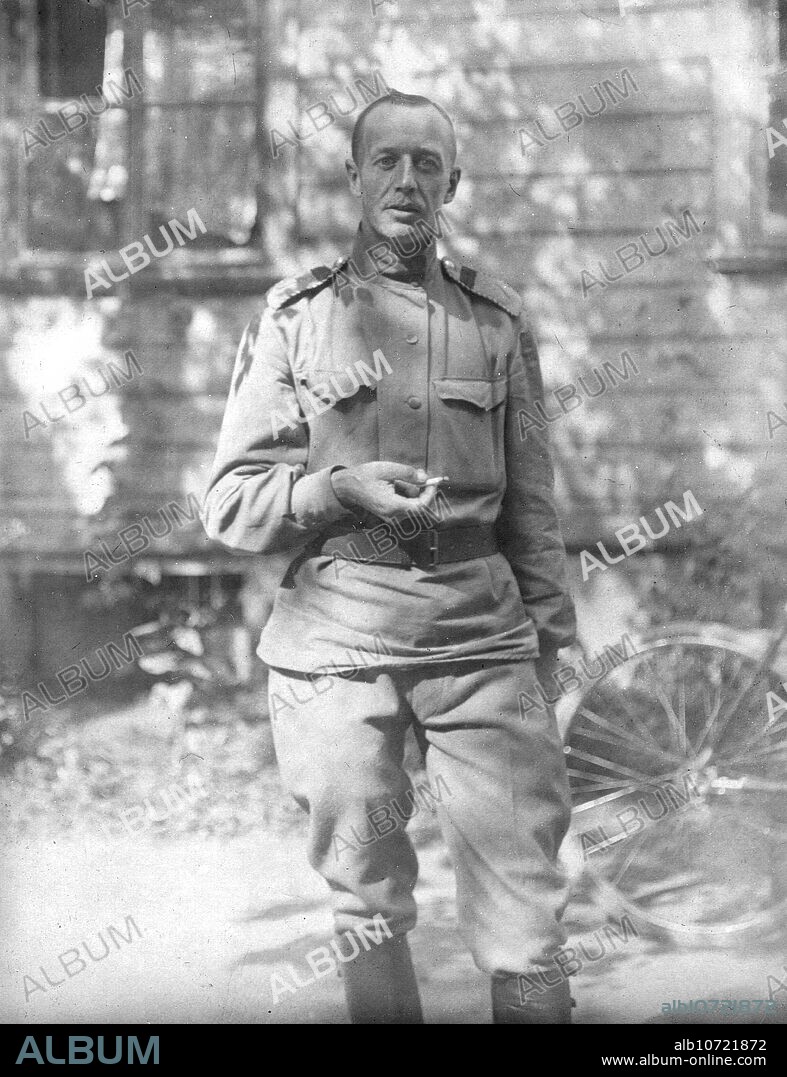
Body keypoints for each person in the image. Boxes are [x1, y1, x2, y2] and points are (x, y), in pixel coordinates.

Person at [202, 89, 577, 1024]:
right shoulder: (295, 319)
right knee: (363, 894)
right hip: (336, 641)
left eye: (426, 163)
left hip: (480, 636)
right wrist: (331, 490)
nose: (406, 180)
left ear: (453, 180)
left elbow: (531, 498)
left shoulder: (495, 321)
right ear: (353, 176)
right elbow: (230, 502)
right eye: (385, 160)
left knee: (526, 896)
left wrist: (551, 638)